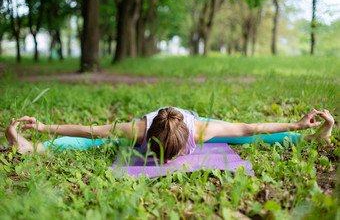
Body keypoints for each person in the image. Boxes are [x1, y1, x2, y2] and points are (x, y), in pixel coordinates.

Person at [5, 107, 334, 162]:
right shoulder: (135, 131)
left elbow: (253, 127)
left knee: (244, 137)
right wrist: (45, 129)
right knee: (97, 141)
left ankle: (313, 137)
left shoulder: (203, 131)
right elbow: (88, 130)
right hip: (156, 122)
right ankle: (32, 148)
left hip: (188, 119)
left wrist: (297, 125)